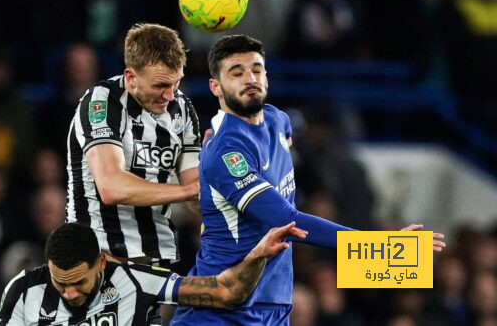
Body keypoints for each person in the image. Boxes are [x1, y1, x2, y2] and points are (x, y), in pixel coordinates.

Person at [171, 35, 447, 325]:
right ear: (216, 86)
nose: (249, 78)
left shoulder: (278, 120)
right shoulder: (227, 152)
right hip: (221, 311)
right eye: (236, 73)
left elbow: (284, 137)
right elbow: (288, 221)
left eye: (256, 69)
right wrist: (382, 247)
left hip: (273, 304)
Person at [0, 221, 307, 326]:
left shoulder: (135, 280)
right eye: (61, 284)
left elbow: (225, 291)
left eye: (79, 283)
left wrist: (257, 255)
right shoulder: (23, 290)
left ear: (101, 263)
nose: (70, 293)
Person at [66, 23, 201, 264]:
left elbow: (196, 194)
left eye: (176, 83)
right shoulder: (103, 102)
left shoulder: (182, 109)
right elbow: (111, 186)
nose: (170, 95)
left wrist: (215, 169)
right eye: (160, 85)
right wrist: (186, 191)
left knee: (228, 294)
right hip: (99, 258)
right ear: (131, 77)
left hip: (160, 257)